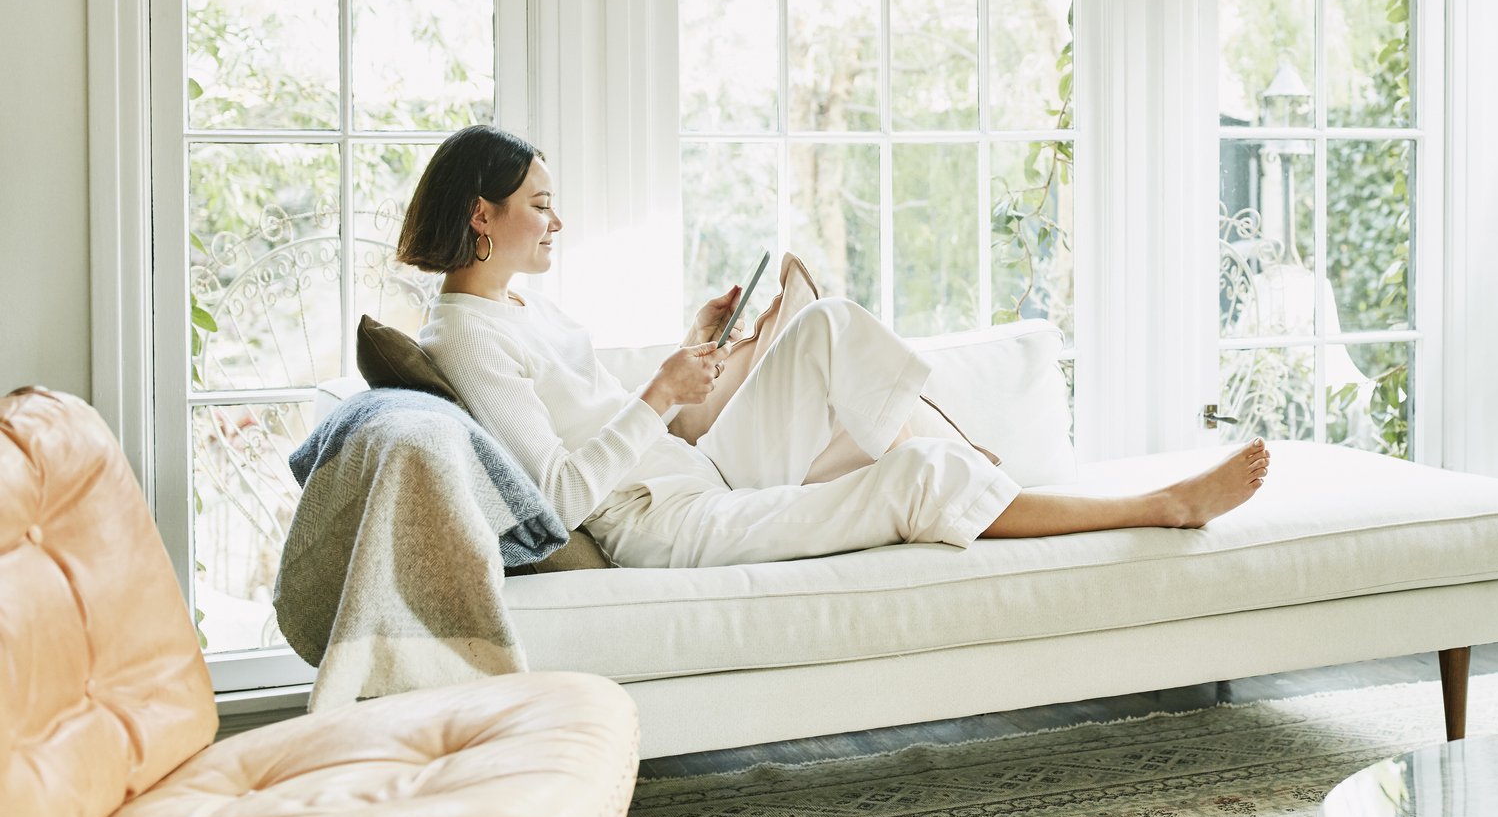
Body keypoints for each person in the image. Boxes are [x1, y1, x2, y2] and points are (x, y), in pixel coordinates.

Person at [400, 125, 1271, 569]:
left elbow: (599, 416)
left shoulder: (516, 306)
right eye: (541, 203)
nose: (558, 219)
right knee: (919, 477)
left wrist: (691, 348)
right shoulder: (467, 339)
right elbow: (554, 499)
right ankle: (1161, 506)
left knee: (826, 324)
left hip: (694, 474)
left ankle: (970, 462)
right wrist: (661, 394)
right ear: (484, 214)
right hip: (663, 525)